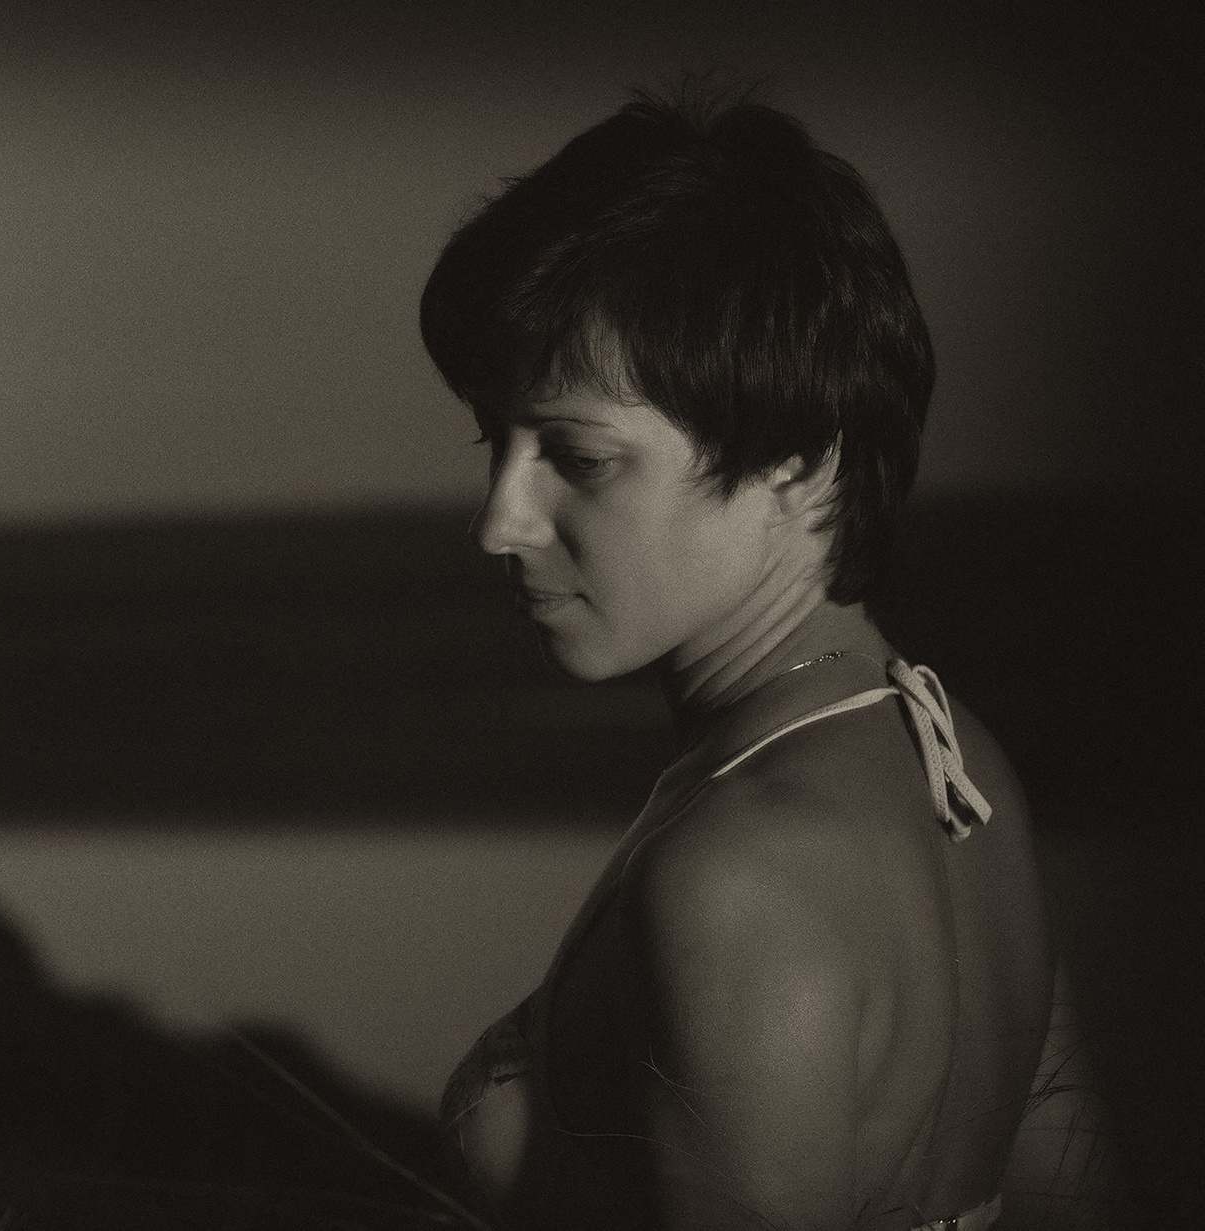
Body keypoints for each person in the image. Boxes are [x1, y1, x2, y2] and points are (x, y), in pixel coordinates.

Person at [420, 87, 1113, 1230]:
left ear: (797, 460)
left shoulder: (738, 875)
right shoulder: (959, 765)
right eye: (496, 439)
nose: (500, 519)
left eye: (579, 458)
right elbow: (1077, 1195)